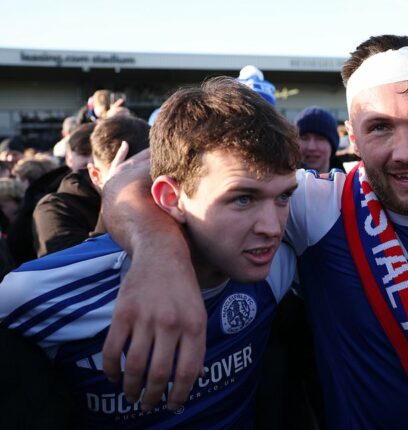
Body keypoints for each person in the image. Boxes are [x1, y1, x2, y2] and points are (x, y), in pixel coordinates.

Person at [98, 35, 408, 429]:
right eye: (380, 127)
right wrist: (158, 256)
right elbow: (140, 177)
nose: (406, 151)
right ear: (351, 137)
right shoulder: (318, 205)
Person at [0, 77, 300, 428]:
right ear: (171, 198)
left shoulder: (281, 264)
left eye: (283, 196)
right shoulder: (39, 294)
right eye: (242, 198)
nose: (272, 226)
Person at [33, 115, 150, 256]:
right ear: (95, 175)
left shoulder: (158, 198)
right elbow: (76, 272)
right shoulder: (53, 210)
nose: (138, 188)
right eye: (126, 180)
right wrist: (113, 198)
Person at [294, 106, 344, 172]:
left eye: (320, 139)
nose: (311, 147)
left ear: (332, 145)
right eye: (304, 138)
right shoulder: (280, 181)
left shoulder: (350, 181)